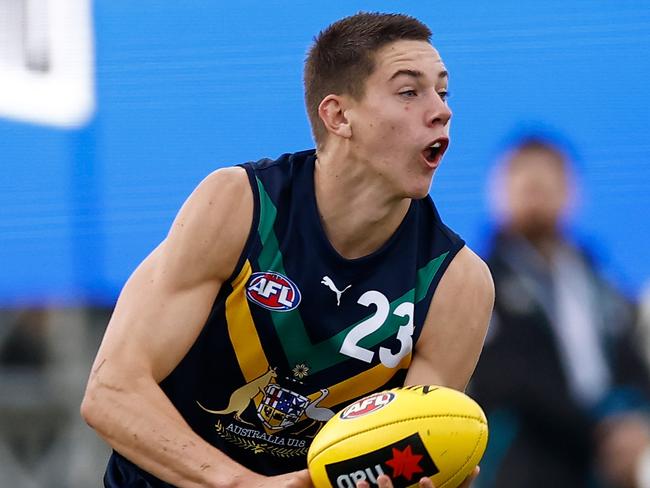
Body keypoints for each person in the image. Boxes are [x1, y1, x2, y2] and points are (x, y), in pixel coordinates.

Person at [81, 12, 494, 488]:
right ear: (338, 116)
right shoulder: (238, 204)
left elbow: (409, 446)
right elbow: (111, 391)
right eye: (409, 91)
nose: (442, 110)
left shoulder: (457, 281)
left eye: (443, 91)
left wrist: (428, 473)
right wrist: (242, 485)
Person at [470, 135, 650, 488]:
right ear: (499, 194)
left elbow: (630, 360)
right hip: (526, 456)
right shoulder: (479, 279)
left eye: (546, 183)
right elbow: (507, 378)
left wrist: (632, 420)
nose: (534, 195)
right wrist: (597, 431)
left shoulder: (596, 278)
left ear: (571, 192)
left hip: (608, 454)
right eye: (523, 183)